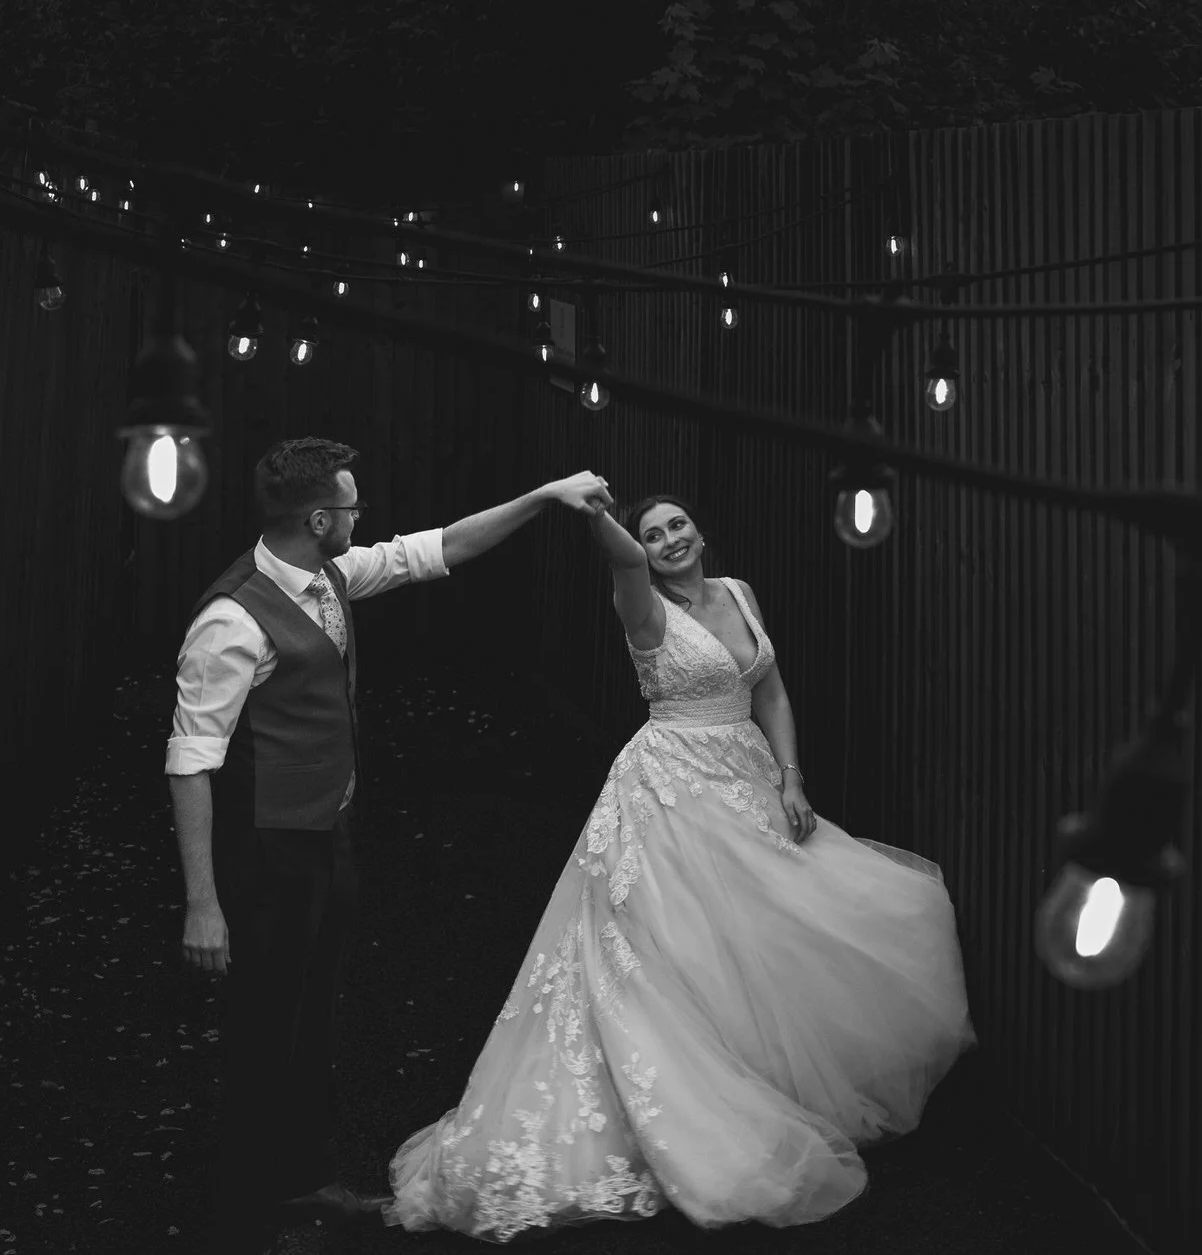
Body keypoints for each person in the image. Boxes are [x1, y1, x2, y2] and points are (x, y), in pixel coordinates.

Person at [384, 493, 975, 1240]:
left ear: (701, 530)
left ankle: (781, 1082)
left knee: (790, 928)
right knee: (678, 949)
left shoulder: (739, 593)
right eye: (652, 534)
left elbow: (771, 689)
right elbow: (623, 558)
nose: (667, 541)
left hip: (749, 780)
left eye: (677, 526)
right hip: (668, 792)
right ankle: (700, 1107)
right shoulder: (641, 605)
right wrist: (583, 506)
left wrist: (792, 777)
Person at [165, 437, 613, 1255]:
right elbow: (190, 763)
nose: (362, 516)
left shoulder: (330, 573)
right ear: (318, 517)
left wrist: (544, 495)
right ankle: (245, 1217)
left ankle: (303, 1178)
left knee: (312, 1018)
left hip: (325, 838)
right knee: (265, 1028)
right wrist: (204, 904)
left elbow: (434, 550)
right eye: (352, 506)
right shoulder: (231, 618)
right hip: (267, 857)